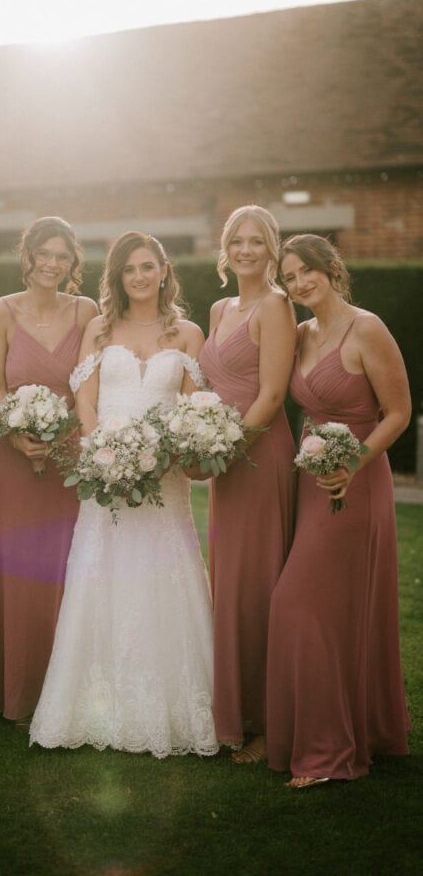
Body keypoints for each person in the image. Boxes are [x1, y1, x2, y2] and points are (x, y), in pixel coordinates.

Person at [29, 231, 219, 759]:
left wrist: (157, 458)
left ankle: (171, 710)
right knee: (102, 573)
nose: (139, 276)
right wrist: (102, 455)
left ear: (163, 270)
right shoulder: (99, 327)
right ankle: (93, 706)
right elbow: (84, 401)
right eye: (129, 269)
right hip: (104, 475)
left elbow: (190, 408)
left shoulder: (188, 334)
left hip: (165, 479)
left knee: (165, 573)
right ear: (118, 276)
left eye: (147, 266)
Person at [267, 234, 411, 788]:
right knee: (330, 610)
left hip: (356, 482)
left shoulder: (367, 327)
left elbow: (397, 412)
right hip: (312, 481)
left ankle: (330, 753)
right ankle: (359, 730)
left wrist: (354, 463)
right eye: (291, 276)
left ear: (331, 270)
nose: (300, 283)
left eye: (308, 272)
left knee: (296, 604)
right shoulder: (300, 333)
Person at [0, 217, 98, 724]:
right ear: (26, 257)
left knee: (69, 568)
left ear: (73, 264)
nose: (52, 264)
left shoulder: (87, 311)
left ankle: (69, 692)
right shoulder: (0, 311)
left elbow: (89, 388)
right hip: (13, 456)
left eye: (63, 257)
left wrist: (61, 436)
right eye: (44, 254)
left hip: (69, 459)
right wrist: (19, 434)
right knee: (19, 569)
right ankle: (19, 691)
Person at [198, 205, 296, 763]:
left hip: (258, 459)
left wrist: (229, 449)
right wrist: (200, 441)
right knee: (230, 585)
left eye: (257, 241)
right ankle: (232, 714)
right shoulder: (218, 308)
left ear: (272, 249)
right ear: (226, 247)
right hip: (223, 461)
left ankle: (265, 723)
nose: (246, 249)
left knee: (258, 586)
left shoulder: (276, 305)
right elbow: (214, 385)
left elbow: (273, 395)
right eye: (238, 239)